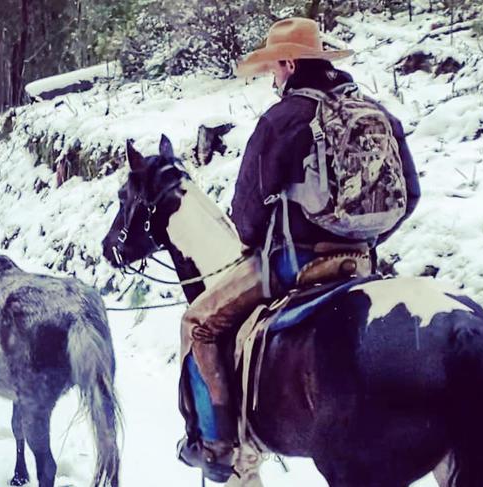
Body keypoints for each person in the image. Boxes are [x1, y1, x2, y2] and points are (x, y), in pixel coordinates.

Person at [177, 17, 421, 482]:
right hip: (362, 262)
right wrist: (362, 238)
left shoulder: (282, 120)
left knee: (199, 324)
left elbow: (246, 217)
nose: (273, 78)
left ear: (289, 63)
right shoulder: (377, 113)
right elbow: (410, 196)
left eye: (274, 68)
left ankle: (216, 444)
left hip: (298, 264)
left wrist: (265, 240)